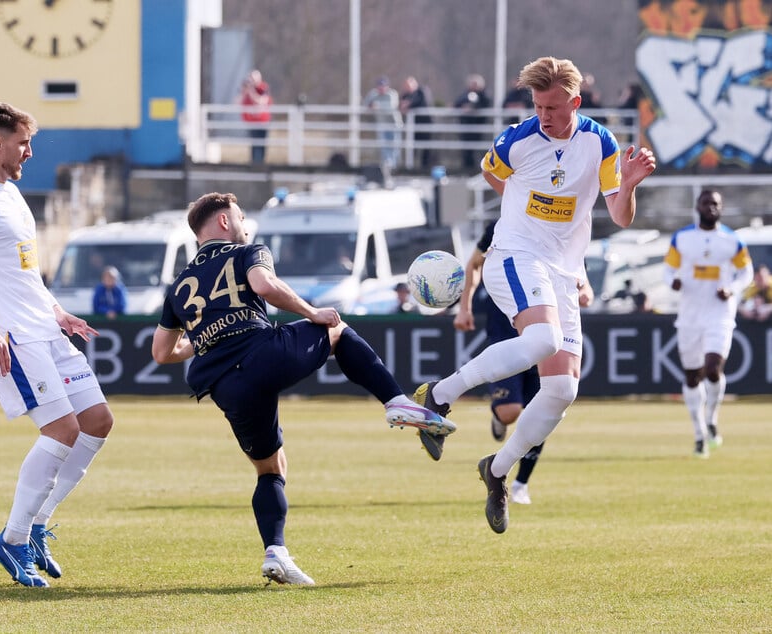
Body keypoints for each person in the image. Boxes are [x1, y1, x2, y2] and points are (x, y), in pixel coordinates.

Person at [151, 192, 455, 585]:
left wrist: (205, 337)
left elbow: (162, 352)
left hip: (224, 385)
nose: (245, 225)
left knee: (270, 469)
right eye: (241, 217)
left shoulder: (178, 285)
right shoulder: (246, 252)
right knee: (336, 329)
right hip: (261, 355)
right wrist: (313, 313)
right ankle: (395, 401)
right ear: (224, 222)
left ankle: (275, 552)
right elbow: (263, 285)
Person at [413, 56, 656, 534]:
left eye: (553, 107)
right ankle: (437, 396)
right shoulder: (518, 139)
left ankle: (497, 470)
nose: (544, 115)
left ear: (576, 102)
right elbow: (491, 173)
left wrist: (627, 184)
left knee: (563, 390)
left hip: (563, 272)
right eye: (538, 105)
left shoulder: (599, 142)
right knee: (542, 340)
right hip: (514, 255)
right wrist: (522, 207)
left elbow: (621, 216)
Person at [0, 102, 114, 587]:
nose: (29, 152)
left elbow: (23, 272)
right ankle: (12, 540)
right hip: (14, 338)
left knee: (97, 421)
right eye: (22, 143)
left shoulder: (10, 194)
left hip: (46, 328)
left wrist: (56, 311)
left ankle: (34, 525)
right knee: (60, 430)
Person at [440, 220, 595, 505]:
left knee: (552, 396)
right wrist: (465, 307)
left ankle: (520, 482)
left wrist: (585, 290)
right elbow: (474, 264)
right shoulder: (504, 226)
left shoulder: (571, 217)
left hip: (553, 323)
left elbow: (578, 271)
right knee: (511, 411)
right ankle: (488, 414)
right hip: (506, 327)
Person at [665, 190, 753, 458]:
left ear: (721, 208)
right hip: (690, 316)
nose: (711, 207)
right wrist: (673, 282)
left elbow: (746, 271)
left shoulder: (731, 240)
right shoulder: (682, 239)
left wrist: (733, 288)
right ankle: (699, 432)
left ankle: (712, 417)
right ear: (698, 206)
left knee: (713, 369)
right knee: (692, 376)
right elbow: (668, 269)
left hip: (719, 314)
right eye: (707, 203)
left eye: (715, 204)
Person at [453, 73, 492, 171]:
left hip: (479, 127)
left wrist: (474, 108)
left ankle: (479, 169)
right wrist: (464, 107)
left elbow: (486, 104)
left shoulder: (484, 95)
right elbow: (457, 103)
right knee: (466, 150)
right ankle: (466, 168)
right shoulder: (465, 95)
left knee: (478, 150)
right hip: (466, 126)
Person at [363, 76, 402, 170]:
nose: (381, 88)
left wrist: (378, 106)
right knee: (383, 146)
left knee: (394, 146)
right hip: (382, 124)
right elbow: (366, 104)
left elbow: (392, 106)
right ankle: (387, 166)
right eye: (380, 86)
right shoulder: (373, 94)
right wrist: (370, 105)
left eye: (383, 86)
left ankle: (395, 167)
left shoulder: (392, 94)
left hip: (394, 124)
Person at [238, 69, 273, 165]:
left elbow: (261, 101)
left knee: (261, 144)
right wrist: (244, 91)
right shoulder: (247, 89)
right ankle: (254, 163)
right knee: (254, 144)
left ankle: (260, 163)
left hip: (262, 122)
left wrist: (251, 92)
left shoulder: (263, 88)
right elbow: (238, 102)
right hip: (252, 122)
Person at [399, 76, 434, 169]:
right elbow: (401, 105)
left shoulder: (422, 91)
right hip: (413, 126)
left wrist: (409, 104)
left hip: (426, 124)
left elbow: (422, 102)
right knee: (412, 147)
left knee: (426, 147)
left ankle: (425, 167)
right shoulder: (405, 95)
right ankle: (410, 167)